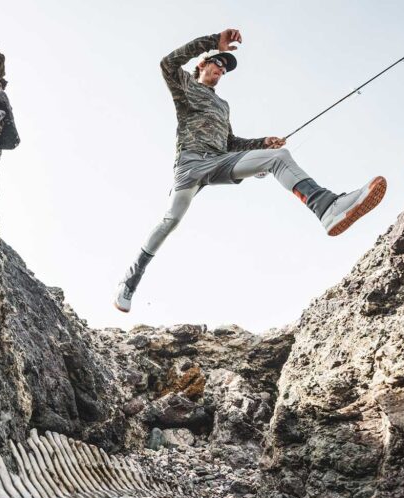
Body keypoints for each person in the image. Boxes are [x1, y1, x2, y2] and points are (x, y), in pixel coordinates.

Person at [114, 28, 387, 313]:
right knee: (170, 220)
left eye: (224, 68)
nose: (220, 69)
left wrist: (262, 143)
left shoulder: (222, 105)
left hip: (220, 161)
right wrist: (212, 41)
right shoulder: (184, 87)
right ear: (202, 64)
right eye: (216, 63)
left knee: (277, 156)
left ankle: (327, 207)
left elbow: (230, 143)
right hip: (190, 164)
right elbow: (167, 63)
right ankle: (130, 281)